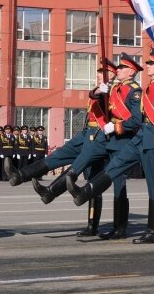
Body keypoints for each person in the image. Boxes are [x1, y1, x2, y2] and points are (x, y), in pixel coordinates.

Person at [68, 48, 154, 244]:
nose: (148, 66)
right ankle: (86, 192)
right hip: (141, 137)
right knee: (114, 166)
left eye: (151, 64)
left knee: (153, 186)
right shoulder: (147, 88)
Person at [7, 60, 118, 238]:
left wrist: (102, 93)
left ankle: (59, 198)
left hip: (100, 136)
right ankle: (20, 175)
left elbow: (110, 109)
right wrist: (98, 92)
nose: (97, 74)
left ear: (111, 75)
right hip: (87, 133)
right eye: (98, 72)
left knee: (90, 179)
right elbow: (93, 96)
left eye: (102, 72)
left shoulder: (115, 91)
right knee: (58, 156)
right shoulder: (100, 90)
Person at [62, 53, 143, 239]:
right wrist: (100, 91)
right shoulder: (116, 90)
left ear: (131, 72)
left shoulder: (134, 91)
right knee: (105, 180)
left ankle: (120, 228)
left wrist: (114, 126)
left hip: (124, 142)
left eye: (121, 68)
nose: (118, 70)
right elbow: (95, 98)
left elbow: (136, 120)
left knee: (119, 185)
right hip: (110, 141)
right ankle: (100, 224)